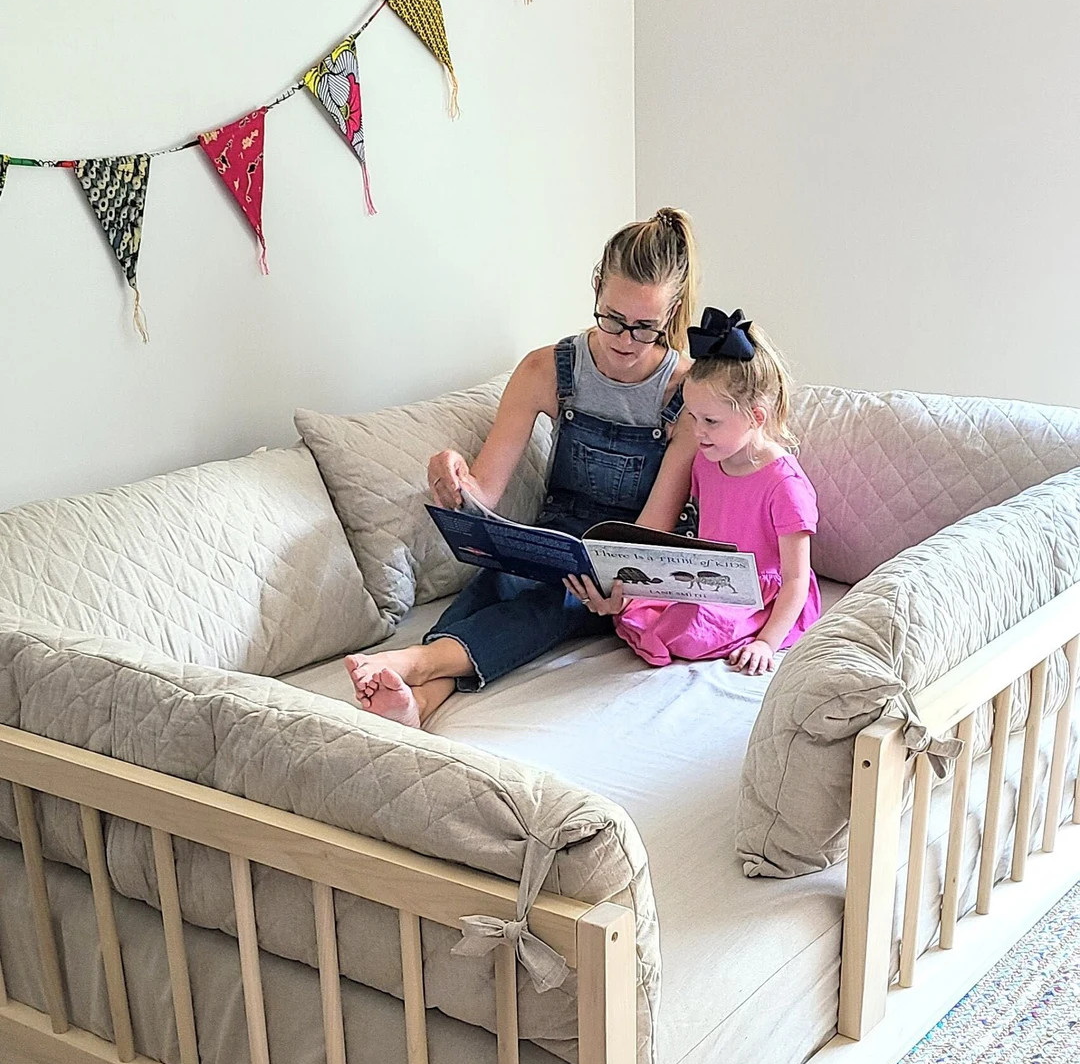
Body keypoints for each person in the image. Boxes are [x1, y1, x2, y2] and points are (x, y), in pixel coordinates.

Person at [345, 208, 700, 726]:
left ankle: (417, 663)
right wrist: (451, 474)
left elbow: (651, 530)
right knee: (497, 581)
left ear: (670, 315)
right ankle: (419, 702)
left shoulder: (689, 395)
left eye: (644, 328)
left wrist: (621, 595)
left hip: (619, 566)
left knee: (556, 601)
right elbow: (484, 490)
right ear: (597, 288)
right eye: (612, 318)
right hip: (553, 540)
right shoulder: (545, 369)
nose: (625, 340)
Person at [569, 306, 821, 674]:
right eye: (692, 417)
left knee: (690, 625)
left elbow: (797, 581)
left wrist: (766, 642)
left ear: (757, 417)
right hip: (710, 579)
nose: (698, 431)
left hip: (764, 595)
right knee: (638, 608)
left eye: (711, 421)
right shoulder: (707, 460)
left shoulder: (785, 486)